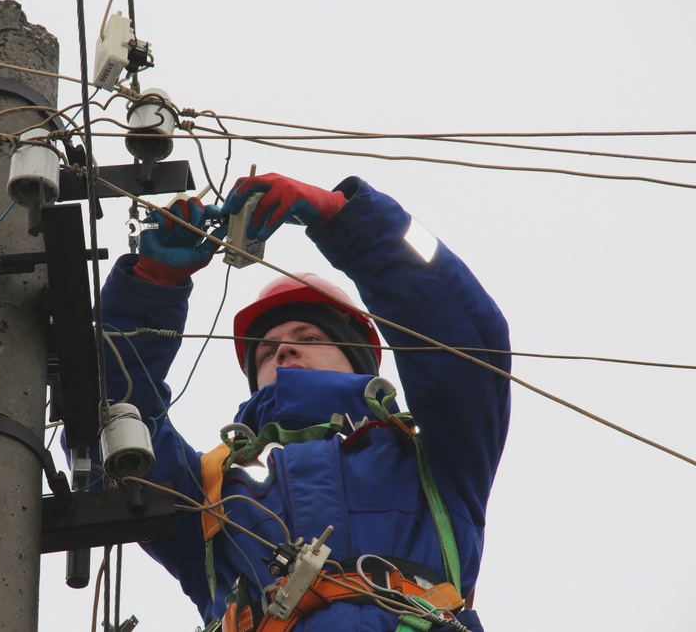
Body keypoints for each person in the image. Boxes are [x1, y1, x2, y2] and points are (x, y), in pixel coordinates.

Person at [90, 173, 511, 632]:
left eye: (307, 337)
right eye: (266, 351)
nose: (284, 351)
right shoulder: (212, 492)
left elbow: (465, 346)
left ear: (360, 361)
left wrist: (348, 219)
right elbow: (108, 418)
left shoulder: (436, 463)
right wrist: (151, 288)